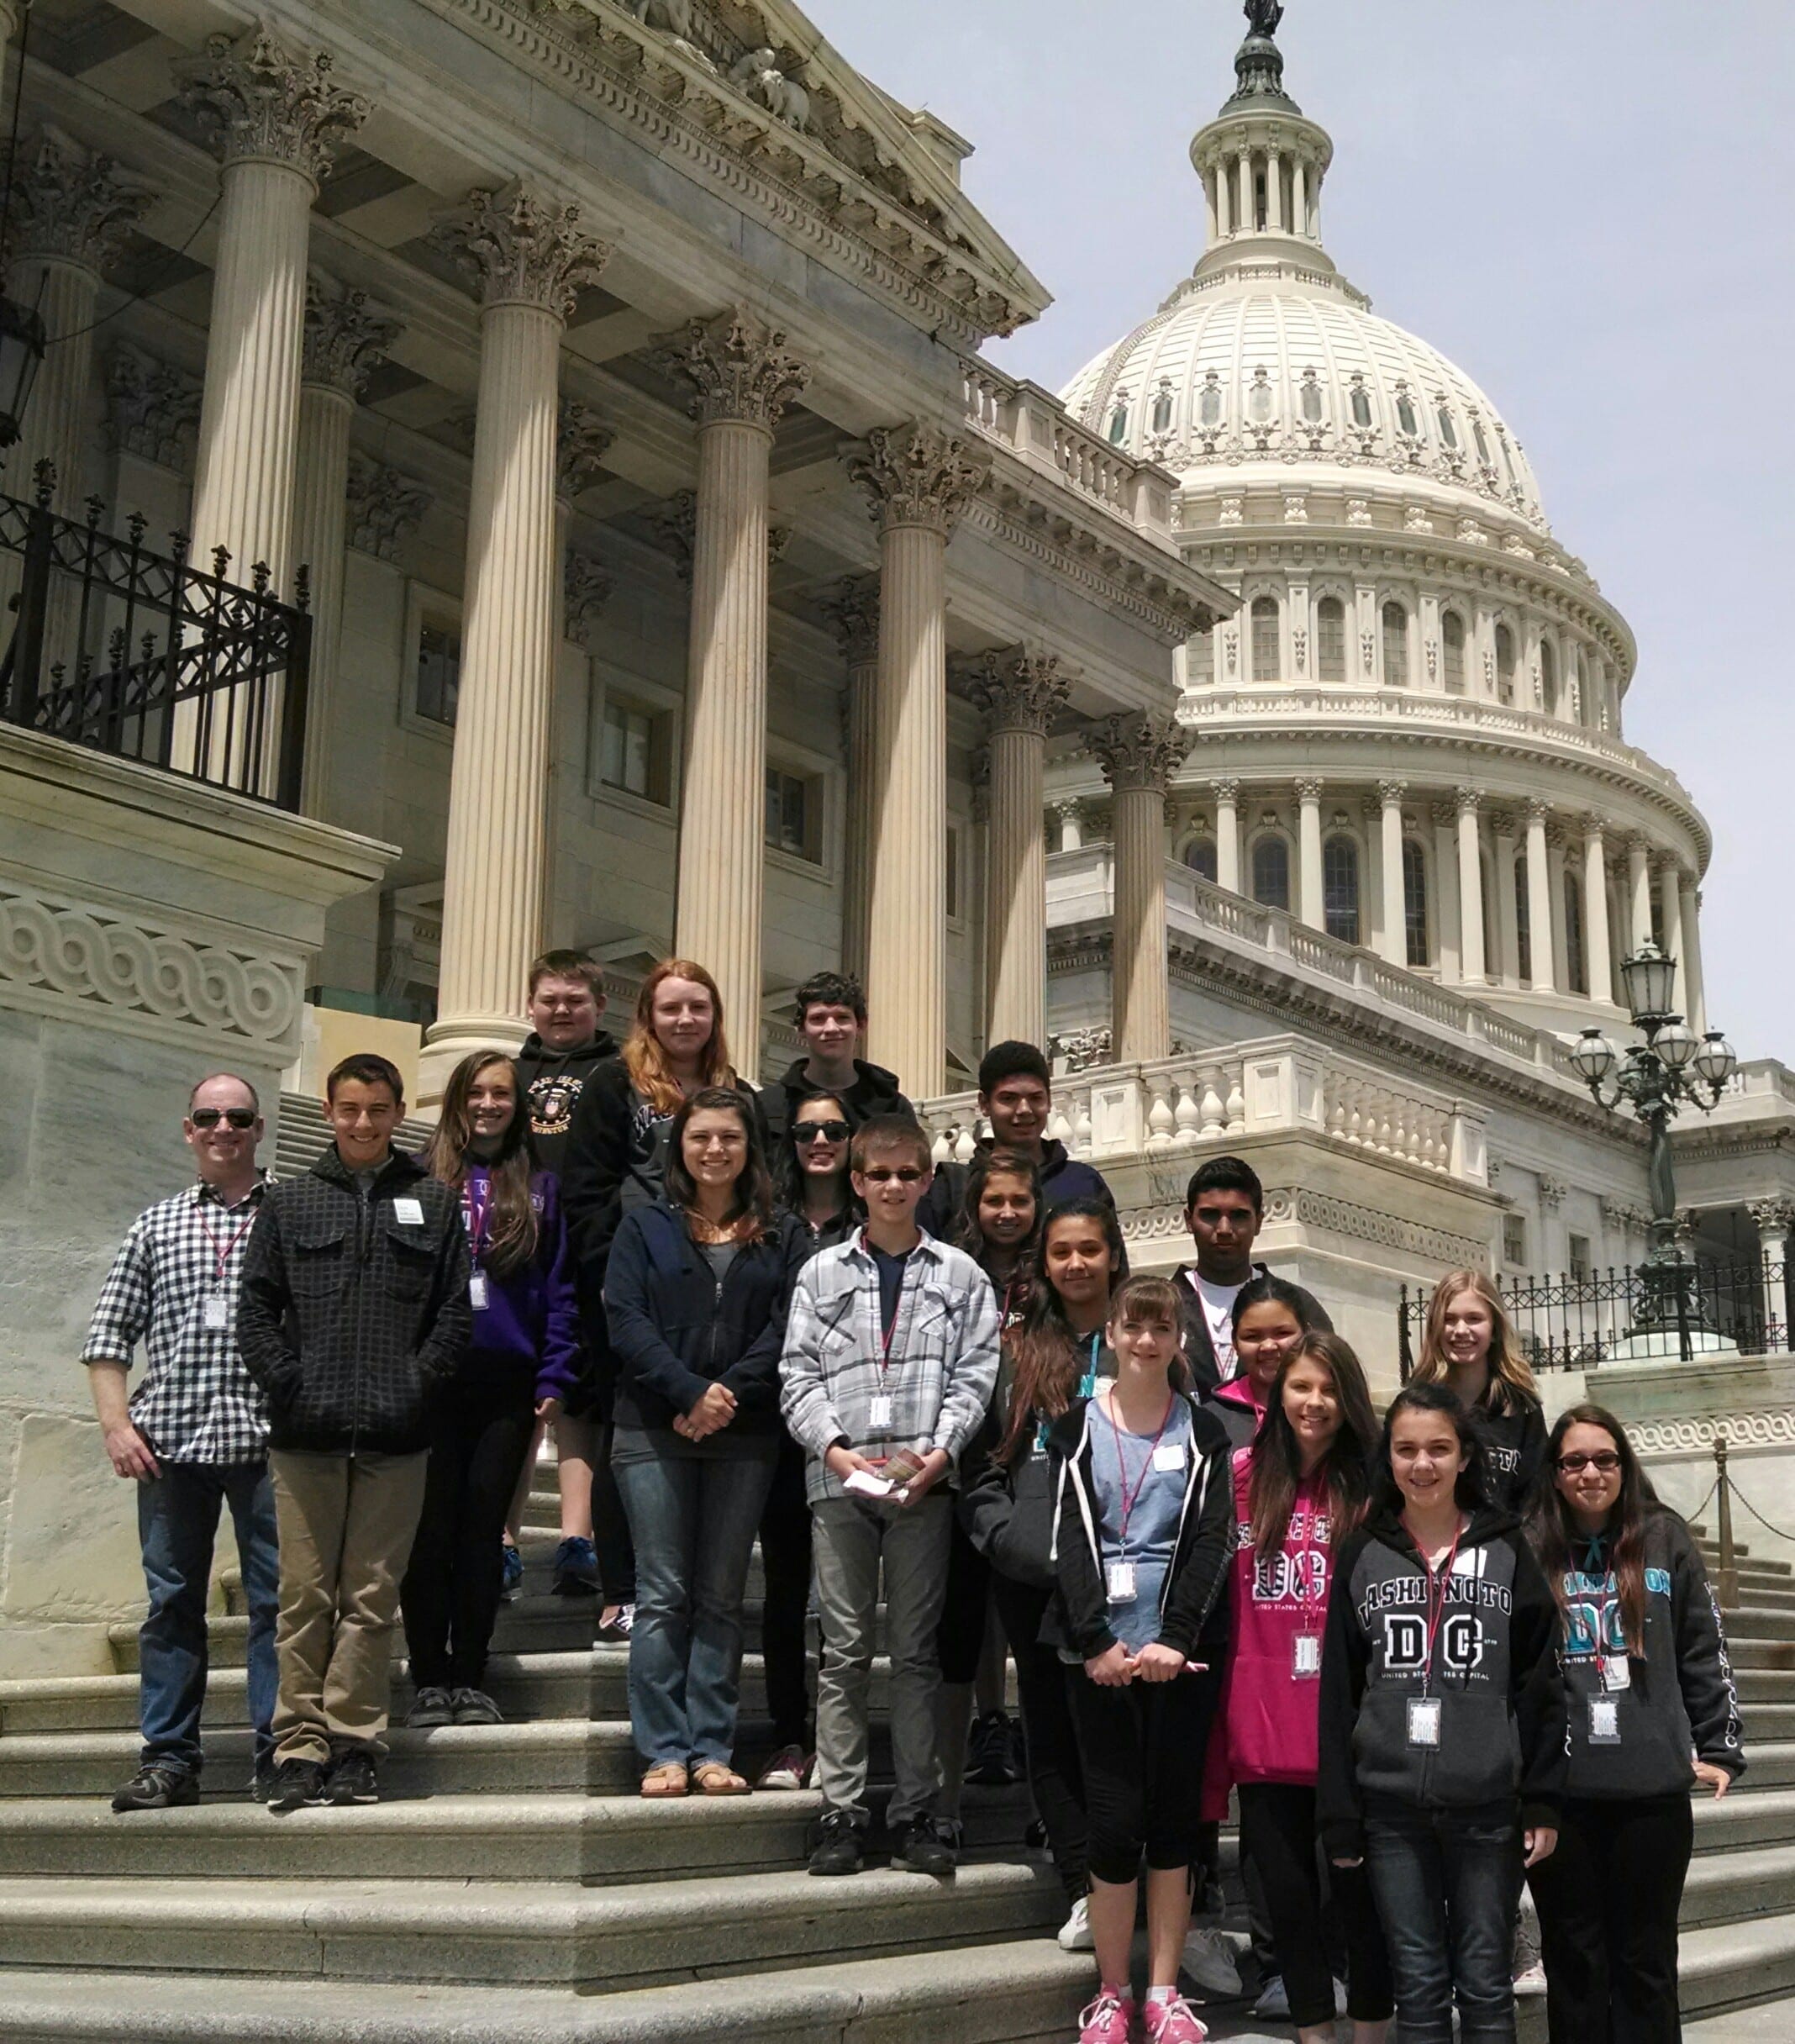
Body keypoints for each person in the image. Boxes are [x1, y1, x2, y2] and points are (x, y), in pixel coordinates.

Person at [237, 1052, 471, 1812]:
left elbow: (453, 1316)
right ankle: (298, 1746)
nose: (362, 1123)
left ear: (399, 1112)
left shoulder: (434, 1204)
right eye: (348, 1109)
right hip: (305, 1434)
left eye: (376, 1109)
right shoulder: (290, 1202)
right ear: (331, 1112)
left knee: (372, 1599)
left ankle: (355, 1744)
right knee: (303, 1596)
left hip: (396, 1437)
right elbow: (255, 1310)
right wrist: (288, 1382)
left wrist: (417, 1385)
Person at [780, 1114, 1001, 1878]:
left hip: (922, 1485)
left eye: (908, 1174)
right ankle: (839, 1809)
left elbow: (976, 1373)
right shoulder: (820, 1272)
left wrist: (939, 1456)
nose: (894, 1187)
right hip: (838, 1481)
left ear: (929, 1182)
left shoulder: (961, 1274)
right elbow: (797, 1375)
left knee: (914, 1654)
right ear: (857, 1182)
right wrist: (837, 1453)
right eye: (879, 1175)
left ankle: (914, 1810)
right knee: (843, 1653)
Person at [1318, 1383, 1566, 2044]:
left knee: (1486, 1985)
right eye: (1405, 1450)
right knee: (1418, 1985)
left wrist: (1540, 1798)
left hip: (1488, 1806)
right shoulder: (1362, 1552)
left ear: (1464, 1457)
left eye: (1438, 1448)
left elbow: (1540, 1683)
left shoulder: (1507, 1548)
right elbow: (1338, 1693)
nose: (1421, 1464)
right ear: (1388, 1458)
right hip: (1390, 1810)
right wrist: (1339, 1812)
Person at [81, 1075, 279, 1810]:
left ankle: (275, 1753)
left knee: (277, 1607)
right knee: (171, 1608)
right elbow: (106, 1339)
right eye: (208, 1117)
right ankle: (168, 1760)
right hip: (170, 1448)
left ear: (260, 1128)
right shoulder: (155, 1225)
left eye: (237, 1116)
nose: (222, 1127)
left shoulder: (288, 1213)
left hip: (267, 1445)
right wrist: (115, 1426)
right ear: (188, 1130)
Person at [1046, 1272, 1232, 2044]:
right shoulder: (1074, 1428)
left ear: (1178, 1340)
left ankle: (1164, 1992)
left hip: (1175, 1656)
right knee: (1115, 1825)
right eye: (1135, 1328)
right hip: (1101, 1657)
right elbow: (1067, 1541)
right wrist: (1097, 1642)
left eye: (1162, 1329)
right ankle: (1112, 1992)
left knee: (1173, 1825)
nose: (1148, 1341)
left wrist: (1177, 1637)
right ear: (1113, 1336)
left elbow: (1213, 1540)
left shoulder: (1206, 1433)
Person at [603, 1087, 803, 1796]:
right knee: (662, 1594)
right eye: (700, 1137)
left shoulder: (781, 1232)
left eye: (729, 1137)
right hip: (652, 1427)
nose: (714, 1149)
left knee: (719, 1596)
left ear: (750, 1147)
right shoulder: (643, 1226)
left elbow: (788, 1328)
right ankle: (663, 1751)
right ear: (678, 1147)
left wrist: (726, 1395)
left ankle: (711, 1748)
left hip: (744, 1431)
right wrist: (688, 1391)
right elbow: (624, 1320)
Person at [1524, 1404, 1745, 2044]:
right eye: (1574, 1461)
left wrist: (1719, 1746)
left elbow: (1703, 1646)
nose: (1590, 1472)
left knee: (1646, 1962)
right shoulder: (1529, 1542)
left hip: (1651, 1790)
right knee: (1574, 1962)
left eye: (1604, 1458)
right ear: (1556, 1472)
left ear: (1624, 1464)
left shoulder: (1663, 1535)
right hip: (1562, 1791)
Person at [561, 959, 757, 1626]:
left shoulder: (739, 1093)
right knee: (634, 1435)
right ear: (648, 1014)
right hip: (635, 1286)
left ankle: (695, 1592)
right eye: (671, 1008)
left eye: (698, 1008)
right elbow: (585, 1190)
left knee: (709, 1428)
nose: (684, 1020)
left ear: (715, 1016)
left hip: (721, 1289)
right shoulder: (614, 1084)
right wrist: (615, 1274)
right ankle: (624, 1589)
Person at [961, 1197, 1126, 1949]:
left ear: (1113, 1256)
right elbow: (983, 1459)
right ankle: (1081, 1886)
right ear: (1044, 1264)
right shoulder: (1018, 1352)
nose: (1077, 1264)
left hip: (1124, 1579)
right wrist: (1008, 1538)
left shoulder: (1147, 1342)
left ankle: (1143, 1886)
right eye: (1062, 1251)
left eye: (1090, 1249)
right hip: (1033, 1573)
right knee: (1053, 1736)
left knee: (1119, 1739)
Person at [1219, 1333, 1392, 2044]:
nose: (1313, 1403)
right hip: (1260, 1713)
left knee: (1360, 1895)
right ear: (1277, 1394)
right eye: (1300, 1387)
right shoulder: (1238, 1475)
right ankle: (1314, 2033)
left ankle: (1373, 2032)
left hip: (1349, 1719)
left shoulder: (1374, 1489)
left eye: (1327, 1389)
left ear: (1346, 1397)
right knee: (1286, 1895)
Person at [400, 1051, 579, 1727]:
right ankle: (428, 1676)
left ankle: (469, 1675)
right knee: (429, 1531)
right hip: (430, 1380)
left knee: (482, 1532)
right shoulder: (420, 1176)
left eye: (501, 1093)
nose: (488, 1104)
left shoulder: (538, 1184)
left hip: (507, 1382)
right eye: (476, 1091)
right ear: (456, 1099)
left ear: (519, 1104)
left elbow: (559, 1291)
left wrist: (555, 1373)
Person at [755, 1091, 865, 1790]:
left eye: (834, 1129)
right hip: (778, 1421)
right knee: (786, 1587)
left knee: (843, 1600)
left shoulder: (874, 1216)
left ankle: (839, 1740)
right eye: (806, 1130)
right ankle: (788, 1737)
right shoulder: (767, 1220)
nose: (820, 1139)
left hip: (857, 1430)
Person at [507, 950, 621, 1610]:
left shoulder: (616, 1072)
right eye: (549, 999)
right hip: (515, 1252)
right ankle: (503, 1537)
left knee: (580, 1398)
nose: (561, 1010)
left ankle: (577, 1539)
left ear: (599, 1006)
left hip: (585, 1250)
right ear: (530, 1004)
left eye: (575, 1000)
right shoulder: (507, 1074)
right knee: (519, 1396)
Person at [939, 1146, 1045, 1804]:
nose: (1006, 1213)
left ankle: (1029, 1742)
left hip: (1034, 1468)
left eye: (1019, 1201)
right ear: (974, 1207)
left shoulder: (1051, 1279)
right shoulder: (953, 1272)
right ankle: (987, 1722)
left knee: (1029, 1622)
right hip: (966, 1463)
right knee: (968, 1616)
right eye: (994, 1201)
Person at [1173, 1156, 1332, 1394]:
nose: (1224, 1229)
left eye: (1238, 1216)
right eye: (1210, 1215)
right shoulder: (1161, 1306)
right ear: (1188, 1220)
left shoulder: (1299, 1307)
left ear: (1258, 1221)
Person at [921, 1040, 1113, 1235]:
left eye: (1036, 1098)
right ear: (984, 1104)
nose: (1024, 1110)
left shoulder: (1083, 1184)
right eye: (1009, 1099)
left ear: (1049, 1101)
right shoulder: (954, 1189)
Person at [1410, 1270, 1547, 1511]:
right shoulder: (1415, 1406)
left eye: (1474, 1319)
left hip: (1505, 1545)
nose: (1461, 1330)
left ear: (1494, 1329)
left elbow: (1537, 1500)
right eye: (1449, 1319)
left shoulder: (1522, 1408)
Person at [760, 970, 913, 1149]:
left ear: (861, 1025)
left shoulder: (894, 1108)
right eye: (818, 1019)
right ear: (801, 1029)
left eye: (842, 1018)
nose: (831, 1028)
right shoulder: (767, 1106)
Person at [1204, 1273, 1315, 1451]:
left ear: (1307, 1334)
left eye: (1282, 1333)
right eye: (1252, 1336)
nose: (1268, 1346)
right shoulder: (1209, 1420)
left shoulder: (1328, 1411)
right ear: (1235, 1343)